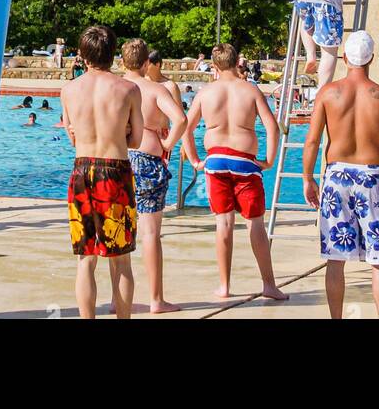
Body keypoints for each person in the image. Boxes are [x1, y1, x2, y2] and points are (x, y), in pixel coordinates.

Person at [302, 30, 379, 320]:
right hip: (371, 177)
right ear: (371, 58)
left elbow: (312, 141)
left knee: (335, 259)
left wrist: (307, 177)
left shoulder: (328, 93)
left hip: (336, 178)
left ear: (345, 58)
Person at [183, 43, 287, 303]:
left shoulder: (206, 93)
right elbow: (272, 128)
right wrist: (270, 160)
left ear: (215, 66)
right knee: (255, 224)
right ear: (236, 63)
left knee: (224, 224)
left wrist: (195, 159)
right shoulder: (250, 90)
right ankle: (269, 284)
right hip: (245, 163)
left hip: (216, 162)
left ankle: (224, 285)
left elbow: (185, 127)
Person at [62, 25, 142, 319]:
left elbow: (73, 138)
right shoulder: (129, 89)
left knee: (86, 259)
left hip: (82, 170)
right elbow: (136, 141)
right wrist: (122, 131)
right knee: (121, 262)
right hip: (115, 171)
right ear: (113, 54)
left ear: (82, 55)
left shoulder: (69, 90)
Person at [121, 39, 187, 314]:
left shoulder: (117, 87)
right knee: (150, 234)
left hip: (121, 160)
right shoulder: (154, 89)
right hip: (149, 159)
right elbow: (181, 120)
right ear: (147, 62)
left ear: (123, 62)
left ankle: (118, 298)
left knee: (120, 233)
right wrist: (168, 144)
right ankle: (156, 299)